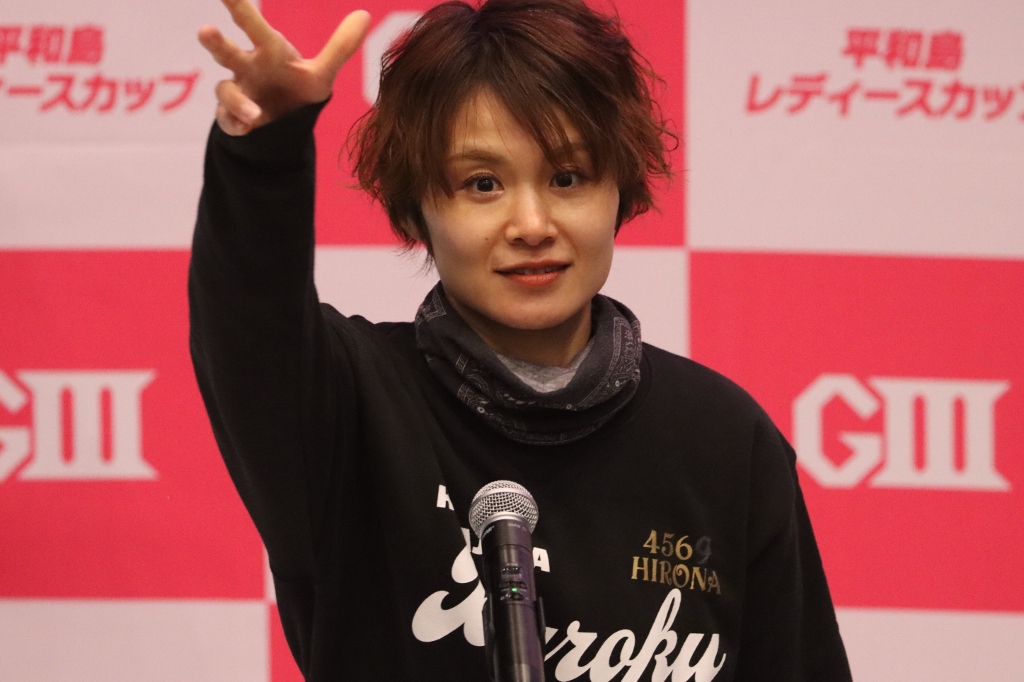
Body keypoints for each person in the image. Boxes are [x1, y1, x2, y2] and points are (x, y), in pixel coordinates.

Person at [190, 0, 853, 679]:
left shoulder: (724, 438)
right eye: (483, 184)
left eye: (567, 178)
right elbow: (250, 324)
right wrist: (264, 157)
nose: (532, 224)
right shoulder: (349, 406)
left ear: (620, 190)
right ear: (415, 208)